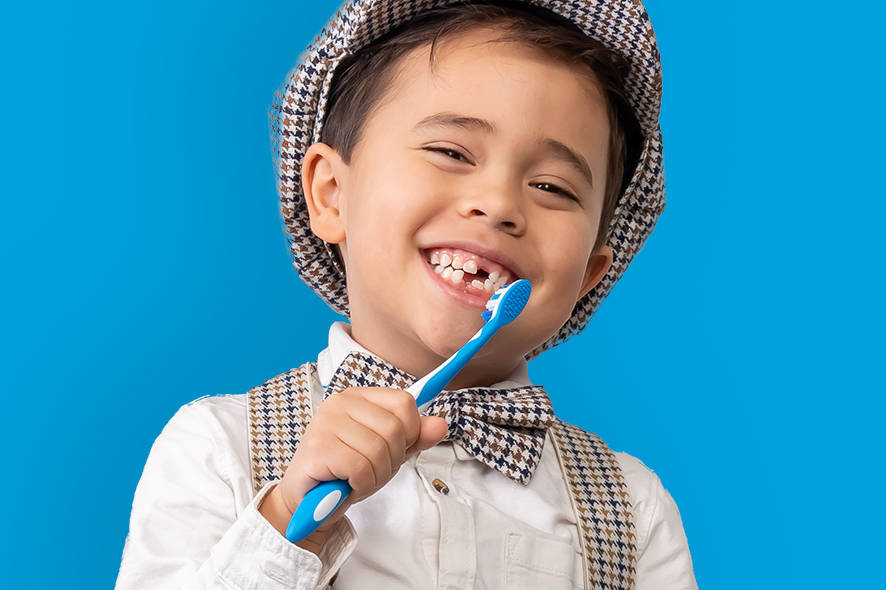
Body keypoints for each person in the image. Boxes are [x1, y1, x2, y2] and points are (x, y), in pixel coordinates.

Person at [116, 1, 697, 588]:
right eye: (451, 152)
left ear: (590, 276)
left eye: (551, 186)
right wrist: (285, 521)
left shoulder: (632, 508)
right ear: (332, 194)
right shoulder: (218, 448)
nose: (497, 203)